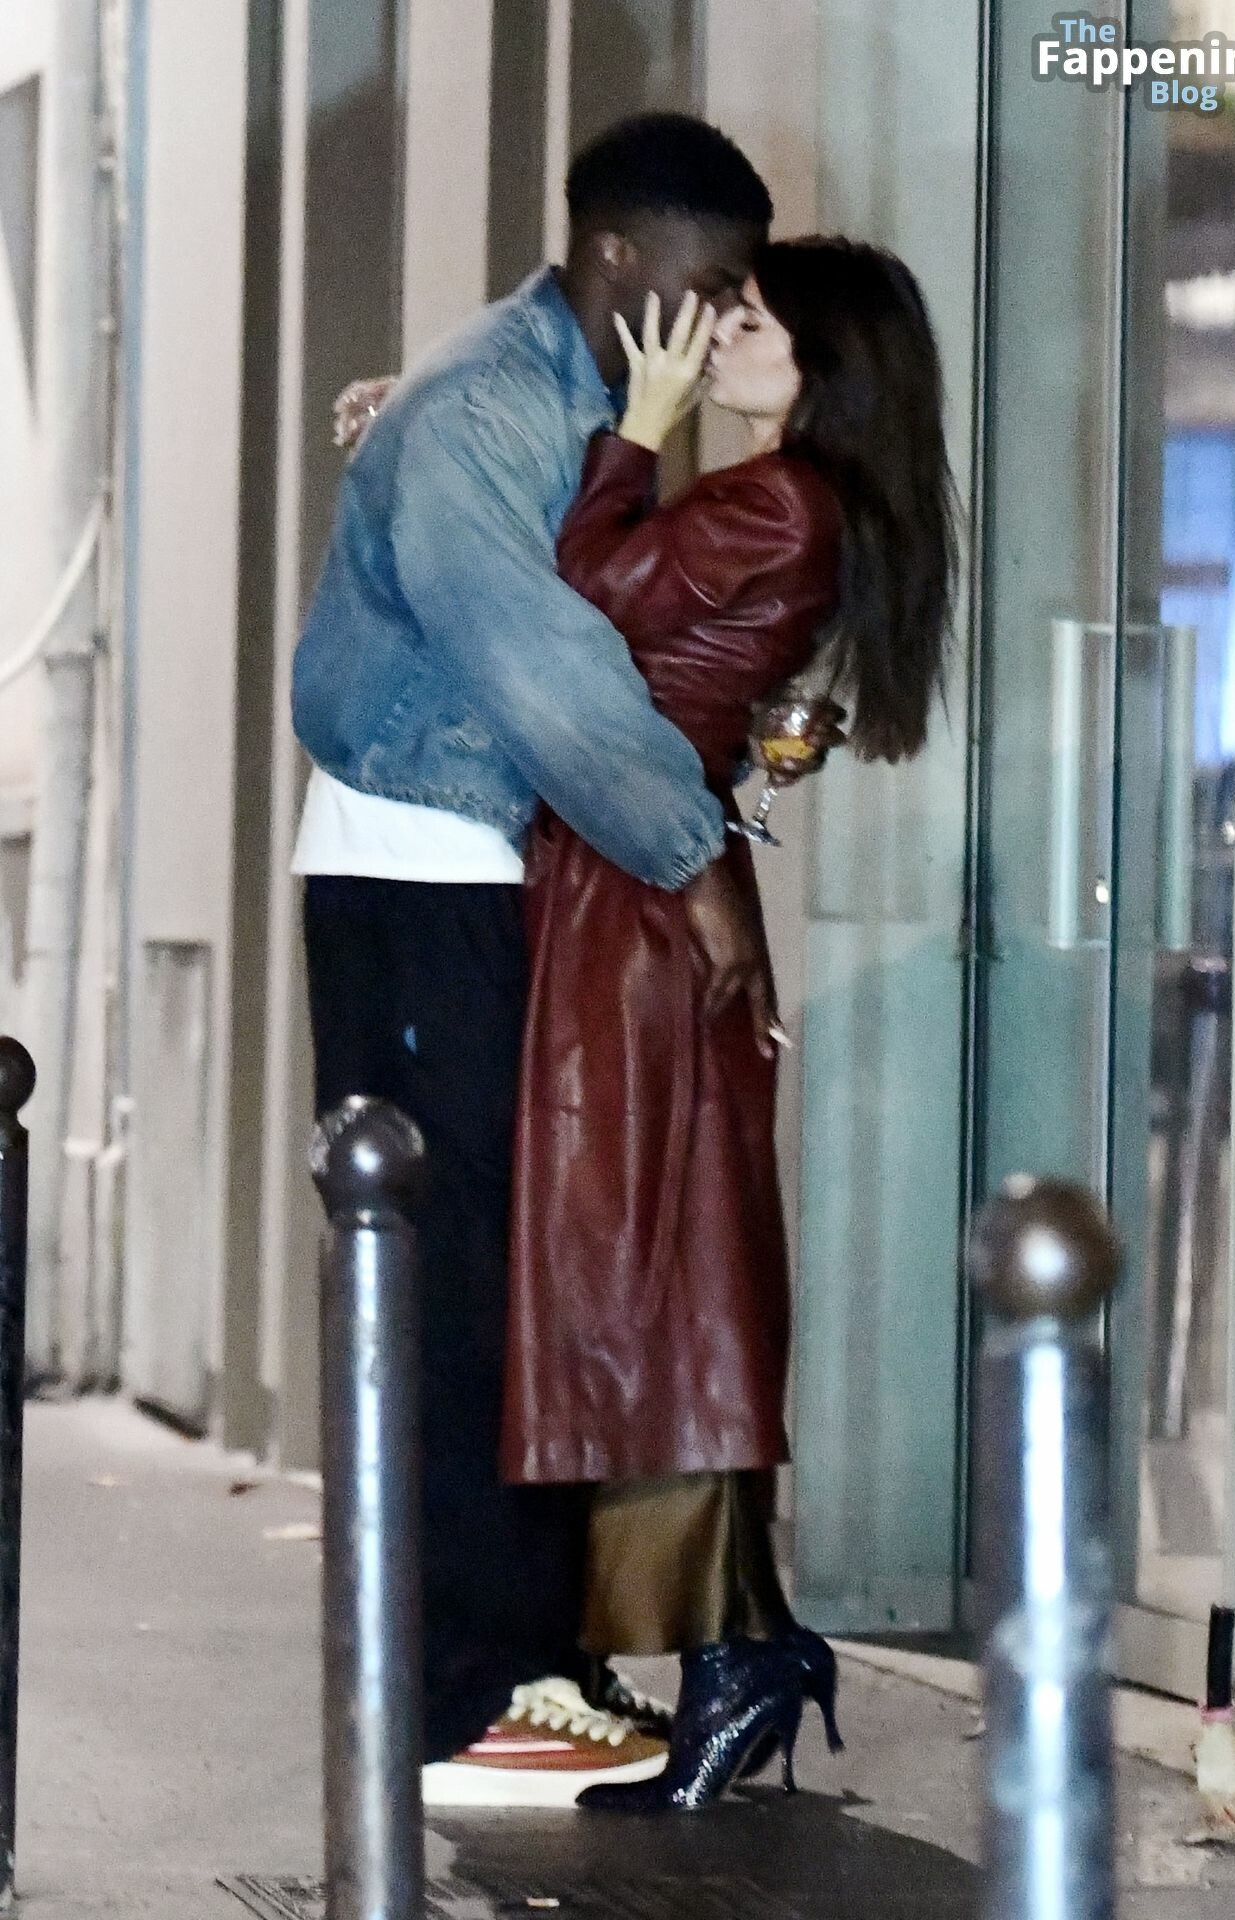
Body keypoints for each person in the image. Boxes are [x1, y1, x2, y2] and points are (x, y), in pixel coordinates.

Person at [291, 114, 783, 1807]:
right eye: (712, 281)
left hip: (468, 869)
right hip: (421, 870)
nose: (725, 316)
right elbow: (548, 667)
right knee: (457, 1290)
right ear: (620, 257)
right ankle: (468, 1689)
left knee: (510, 1277)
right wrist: (692, 856)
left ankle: (520, 1662)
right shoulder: (490, 408)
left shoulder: (557, 394)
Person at [502, 238, 959, 1812]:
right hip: (642, 889)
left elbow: (578, 608)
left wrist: (634, 431)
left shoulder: (776, 501)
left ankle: (730, 1652)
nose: (716, 335)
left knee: (648, 1277)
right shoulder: (788, 500)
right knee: (664, 1276)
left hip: (631, 906)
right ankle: (732, 1650)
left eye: (750, 319)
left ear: (823, 357)